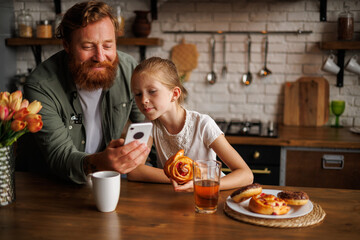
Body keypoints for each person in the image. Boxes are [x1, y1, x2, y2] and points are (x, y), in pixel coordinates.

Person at [15, 1, 150, 184]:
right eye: (88, 47)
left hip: (105, 183)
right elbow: (59, 156)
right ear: (67, 45)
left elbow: (149, 125)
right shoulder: (40, 86)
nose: (100, 57)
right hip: (47, 187)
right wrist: (102, 161)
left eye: (108, 46)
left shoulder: (128, 69)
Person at [127, 57, 254, 192]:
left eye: (152, 91)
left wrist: (199, 183)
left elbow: (246, 175)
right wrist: (182, 179)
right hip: (177, 199)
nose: (143, 100)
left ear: (174, 94)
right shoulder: (150, 125)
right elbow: (134, 171)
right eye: (138, 94)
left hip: (209, 195)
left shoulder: (203, 124)